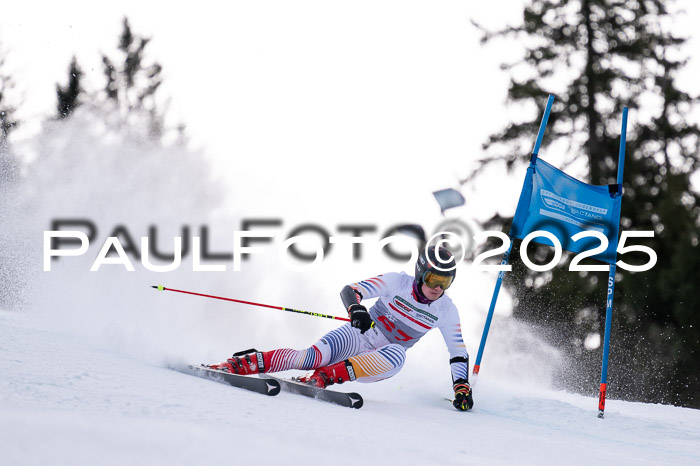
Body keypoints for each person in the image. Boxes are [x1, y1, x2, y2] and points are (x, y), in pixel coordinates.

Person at [208, 245, 474, 411]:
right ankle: (238, 365)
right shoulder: (397, 282)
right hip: (360, 335)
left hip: (380, 360)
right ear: (420, 273)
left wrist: (461, 386)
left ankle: (323, 377)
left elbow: (458, 351)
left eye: (445, 281)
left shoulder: (446, 310)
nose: (437, 287)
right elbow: (352, 290)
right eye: (433, 278)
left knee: (399, 355)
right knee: (308, 357)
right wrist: (356, 309)